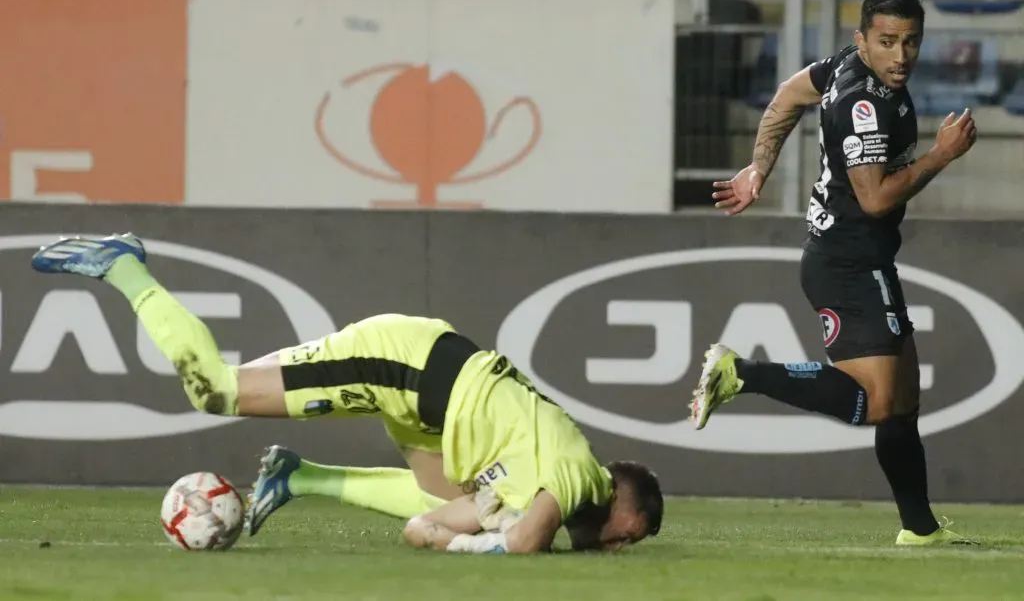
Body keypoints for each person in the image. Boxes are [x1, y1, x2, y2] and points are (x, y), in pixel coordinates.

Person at [30, 232, 663, 554]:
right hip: (405, 367)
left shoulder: (544, 482)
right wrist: (476, 542)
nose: (621, 545)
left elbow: (423, 526)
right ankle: (123, 265)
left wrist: (446, 533)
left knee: (443, 492)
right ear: (621, 497)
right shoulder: (584, 478)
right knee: (216, 393)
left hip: (435, 397)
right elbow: (522, 543)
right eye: (631, 535)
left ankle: (297, 478)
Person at [690, 0, 978, 546]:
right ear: (862, 40)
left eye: (910, 41)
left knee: (905, 400)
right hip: (846, 262)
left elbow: (785, 96)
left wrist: (758, 167)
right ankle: (742, 373)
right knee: (875, 402)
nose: (901, 55)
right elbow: (874, 199)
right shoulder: (862, 103)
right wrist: (941, 154)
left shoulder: (841, 67)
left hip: (863, 257)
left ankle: (920, 530)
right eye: (887, 42)